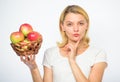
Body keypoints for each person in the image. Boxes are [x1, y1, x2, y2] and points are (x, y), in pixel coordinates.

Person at [20, 5, 107, 82]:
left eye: (80, 23)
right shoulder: (50, 53)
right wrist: (33, 68)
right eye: (70, 24)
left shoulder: (98, 54)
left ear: (86, 25)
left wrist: (72, 61)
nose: (76, 29)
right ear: (62, 27)